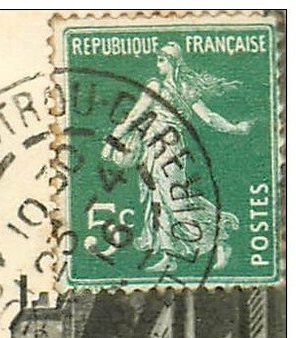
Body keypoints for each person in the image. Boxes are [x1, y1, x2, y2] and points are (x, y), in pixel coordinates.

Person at [101, 41, 251, 272]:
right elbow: (208, 117)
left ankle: (220, 242)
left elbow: (134, 116)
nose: (157, 64)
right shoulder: (184, 89)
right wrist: (235, 128)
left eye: (161, 59)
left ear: (172, 62)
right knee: (157, 200)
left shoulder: (160, 86)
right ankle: (168, 256)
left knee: (175, 200)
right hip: (153, 149)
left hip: (167, 150)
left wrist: (113, 140)